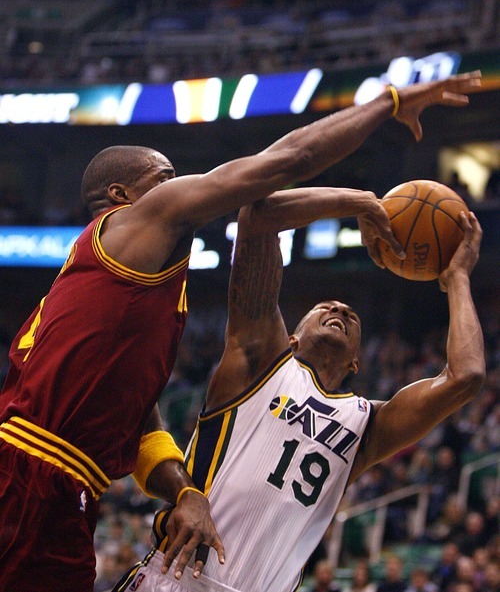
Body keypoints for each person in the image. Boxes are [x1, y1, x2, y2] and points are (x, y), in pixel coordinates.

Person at [0, 73, 481, 592]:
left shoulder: (152, 306)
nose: (184, 187)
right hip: (35, 468)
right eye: (166, 177)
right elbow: (276, 179)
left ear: (360, 361)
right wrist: (384, 111)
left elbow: (138, 421)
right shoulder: (133, 231)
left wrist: (184, 492)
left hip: (74, 488)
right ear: (121, 195)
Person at [112, 176, 485, 592]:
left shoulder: (366, 425)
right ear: (291, 336)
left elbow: (465, 375)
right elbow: (260, 213)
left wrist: (458, 279)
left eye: (352, 316)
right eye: (325, 306)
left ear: (356, 362)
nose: (340, 307)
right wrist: (361, 201)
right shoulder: (259, 360)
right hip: (174, 580)